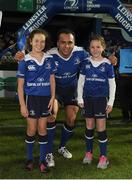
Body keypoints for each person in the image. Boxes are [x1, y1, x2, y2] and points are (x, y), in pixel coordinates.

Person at [15, 28, 117, 168]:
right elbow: (33, 56)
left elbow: (96, 53)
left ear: (74, 43)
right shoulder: (50, 54)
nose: (66, 46)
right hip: (54, 91)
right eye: (63, 42)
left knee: (71, 118)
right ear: (57, 43)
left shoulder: (80, 52)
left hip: (71, 90)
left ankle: (62, 147)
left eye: (70, 42)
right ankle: (48, 153)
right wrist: (22, 54)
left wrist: (109, 57)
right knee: (51, 115)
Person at [17, 29, 56, 173]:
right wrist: (22, 104)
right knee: (32, 130)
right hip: (31, 99)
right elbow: (20, 85)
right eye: (37, 41)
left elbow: (52, 80)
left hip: (45, 99)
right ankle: (29, 159)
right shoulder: (24, 60)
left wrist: (52, 97)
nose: (40, 44)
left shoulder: (49, 58)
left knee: (42, 129)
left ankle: (42, 161)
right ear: (31, 42)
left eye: (42, 41)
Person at [77, 35, 116, 169]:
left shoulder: (107, 64)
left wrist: (110, 102)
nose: (95, 49)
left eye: (98, 46)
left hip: (101, 100)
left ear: (103, 48)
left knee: (100, 127)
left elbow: (112, 84)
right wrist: (80, 98)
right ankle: (89, 153)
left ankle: (103, 157)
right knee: (89, 125)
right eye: (92, 47)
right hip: (87, 99)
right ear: (89, 48)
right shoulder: (85, 63)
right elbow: (81, 82)